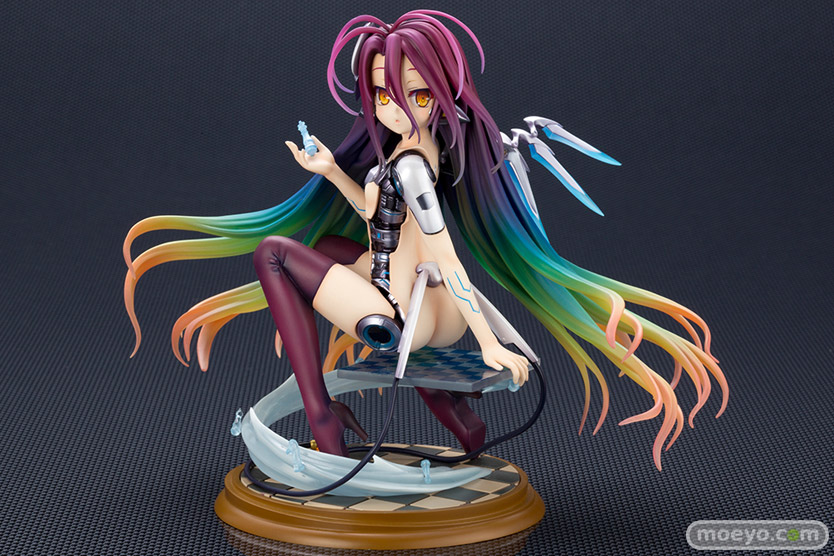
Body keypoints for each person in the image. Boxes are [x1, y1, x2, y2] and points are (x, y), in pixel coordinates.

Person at [123, 10, 727, 470]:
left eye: (415, 95)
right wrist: (331, 171)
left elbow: (447, 258)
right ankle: (461, 421)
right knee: (329, 249)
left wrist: (490, 344)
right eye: (382, 96)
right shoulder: (419, 149)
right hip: (419, 300)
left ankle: (324, 419)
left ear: (441, 93)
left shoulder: (411, 166)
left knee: (273, 255)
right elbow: (378, 218)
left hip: (405, 313)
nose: (395, 109)